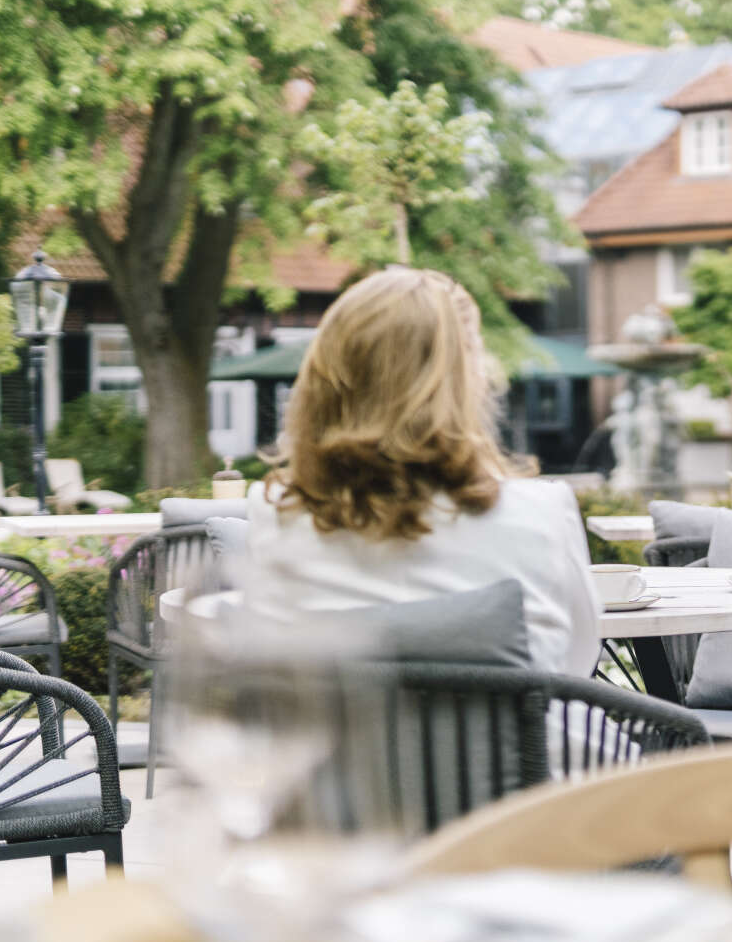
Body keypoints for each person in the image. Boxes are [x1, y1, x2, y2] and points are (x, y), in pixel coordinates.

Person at [246, 267, 600, 676]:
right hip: (522, 740)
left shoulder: (272, 515)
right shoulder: (542, 511)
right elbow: (578, 660)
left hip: (341, 741)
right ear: (465, 384)